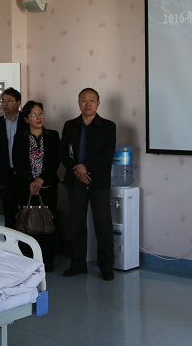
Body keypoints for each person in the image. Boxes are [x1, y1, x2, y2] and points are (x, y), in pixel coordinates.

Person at [60, 88, 117, 280]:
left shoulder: (108, 126)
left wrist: (86, 167)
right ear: (78, 103)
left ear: (98, 103)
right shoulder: (70, 125)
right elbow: (62, 152)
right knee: (76, 224)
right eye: (84, 100)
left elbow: (107, 153)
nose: (88, 104)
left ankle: (106, 267)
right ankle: (78, 265)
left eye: (92, 100)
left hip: (98, 181)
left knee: (103, 225)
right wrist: (76, 169)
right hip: (75, 180)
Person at [13, 101, 60, 271]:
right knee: (27, 222)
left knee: (47, 222)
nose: (38, 117)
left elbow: (56, 160)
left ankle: (47, 260)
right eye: (34, 114)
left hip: (48, 187)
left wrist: (41, 179)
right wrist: (31, 182)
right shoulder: (20, 137)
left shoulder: (53, 135)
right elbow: (17, 162)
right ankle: (28, 260)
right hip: (27, 188)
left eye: (41, 113)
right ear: (26, 119)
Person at [0, 88, 27, 228]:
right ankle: (10, 242)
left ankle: (26, 242)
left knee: (27, 211)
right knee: (9, 212)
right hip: (4, 174)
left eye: (10, 100)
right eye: (3, 101)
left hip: (25, 174)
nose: (5, 104)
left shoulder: (27, 121)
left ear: (18, 103)